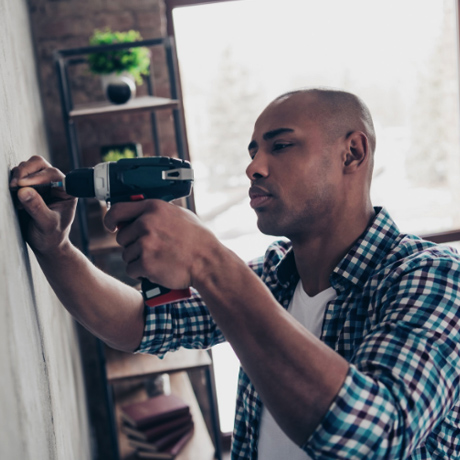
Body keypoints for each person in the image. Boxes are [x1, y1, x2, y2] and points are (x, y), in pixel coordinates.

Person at [10, 88, 460, 459]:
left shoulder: (433, 279)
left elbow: (372, 439)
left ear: (352, 153)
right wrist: (56, 248)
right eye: (253, 151)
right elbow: (138, 325)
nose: (254, 167)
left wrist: (209, 261)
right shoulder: (276, 276)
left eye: (280, 145)